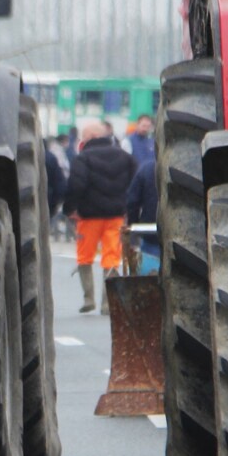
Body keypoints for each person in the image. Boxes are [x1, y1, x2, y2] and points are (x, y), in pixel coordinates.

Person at [64, 122, 136, 314]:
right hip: (116, 217)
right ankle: (107, 302)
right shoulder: (125, 157)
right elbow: (133, 185)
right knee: (112, 257)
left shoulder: (83, 159)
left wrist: (70, 209)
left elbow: (75, 186)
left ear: (90, 137)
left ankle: (89, 298)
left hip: (88, 217)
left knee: (85, 256)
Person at [125, 157, 159, 262]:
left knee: (150, 270)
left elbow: (132, 203)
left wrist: (133, 225)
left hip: (151, 233)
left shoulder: (147, 168)